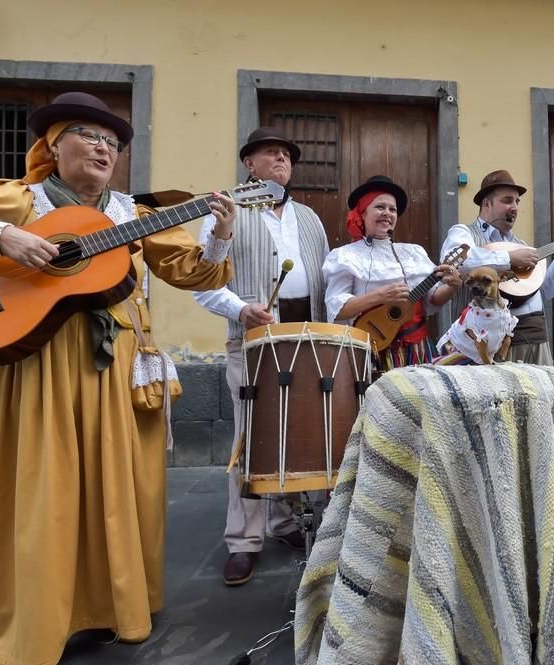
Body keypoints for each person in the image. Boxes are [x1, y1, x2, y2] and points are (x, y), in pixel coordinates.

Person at [0, 91, 234, 665]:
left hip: (122, 359)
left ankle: (115, 607)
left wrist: (221, 233)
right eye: (90, 135)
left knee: (121, 483)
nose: (105, 148)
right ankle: (42, 619)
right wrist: (1, 237)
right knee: (47, 487)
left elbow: (190, 272)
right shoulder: (15, 198)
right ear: (53, 144)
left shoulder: (134, 212)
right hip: (41, 361)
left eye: (114, 142)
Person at [193, 127, 330, 586]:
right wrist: (241, 309)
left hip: (303, 339)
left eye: (287, 155)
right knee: (250, 440)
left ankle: (284, 522)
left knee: (296, 436)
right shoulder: (224, 212)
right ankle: (243, 540)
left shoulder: (310, 218)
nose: (281, 160)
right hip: (252, 340)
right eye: (270, 153)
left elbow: (324, 284)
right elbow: (205, 282)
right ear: (248, 164)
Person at [323, 175, 461, 370]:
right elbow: (337, 309)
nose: (387, 213)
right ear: (362, 213)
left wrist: (451, 286)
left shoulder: (414, 252)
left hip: (418, 349)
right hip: (373, 349)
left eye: (392, 209)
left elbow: (433, 299)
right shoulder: (345, 256)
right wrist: (380, 295)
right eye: (380, 207)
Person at [440, 169, 554, 364]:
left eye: (517, 202)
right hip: (482, 349)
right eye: (507, 200)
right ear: (486, 204)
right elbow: (456, 261)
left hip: (536, 337)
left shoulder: (520, 245)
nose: (514, 207)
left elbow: (543, 293)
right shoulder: (464, 233)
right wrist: (510, 258)